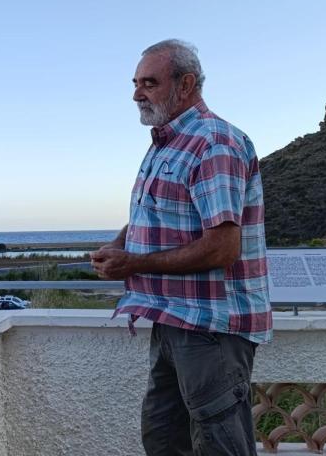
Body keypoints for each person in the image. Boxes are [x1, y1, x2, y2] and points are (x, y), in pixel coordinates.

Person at [90, 39, 271, 456]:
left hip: (211, 328)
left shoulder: (214, 143)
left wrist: (133, 262)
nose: (137, 94)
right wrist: (120, 243)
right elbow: (156, 214)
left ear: (186, 83)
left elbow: (223, 247)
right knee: (164, 439)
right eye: (136, 83)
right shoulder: (167, 144)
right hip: (172, 319)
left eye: (149, 83)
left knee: (219, 445)